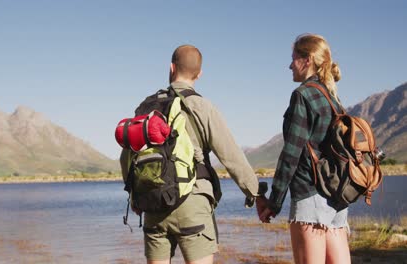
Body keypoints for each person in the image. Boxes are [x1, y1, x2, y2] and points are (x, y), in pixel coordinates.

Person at [120, 44, 266, 264]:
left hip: (153, 203)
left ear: (171, 68)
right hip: (193, 202)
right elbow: (230, 155)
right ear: (199, 74)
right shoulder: (202, 106)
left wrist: (134, 196)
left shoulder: (148, 107)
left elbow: (127, 156)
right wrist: (255, 194)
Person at [259, 33, 351, 264]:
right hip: (336, 196)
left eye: (294, 58)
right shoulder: (333, 98)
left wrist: (275, 202)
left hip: (309, 195)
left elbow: (292, 153)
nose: (290, 65)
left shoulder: (303, 95)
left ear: (307, 59)